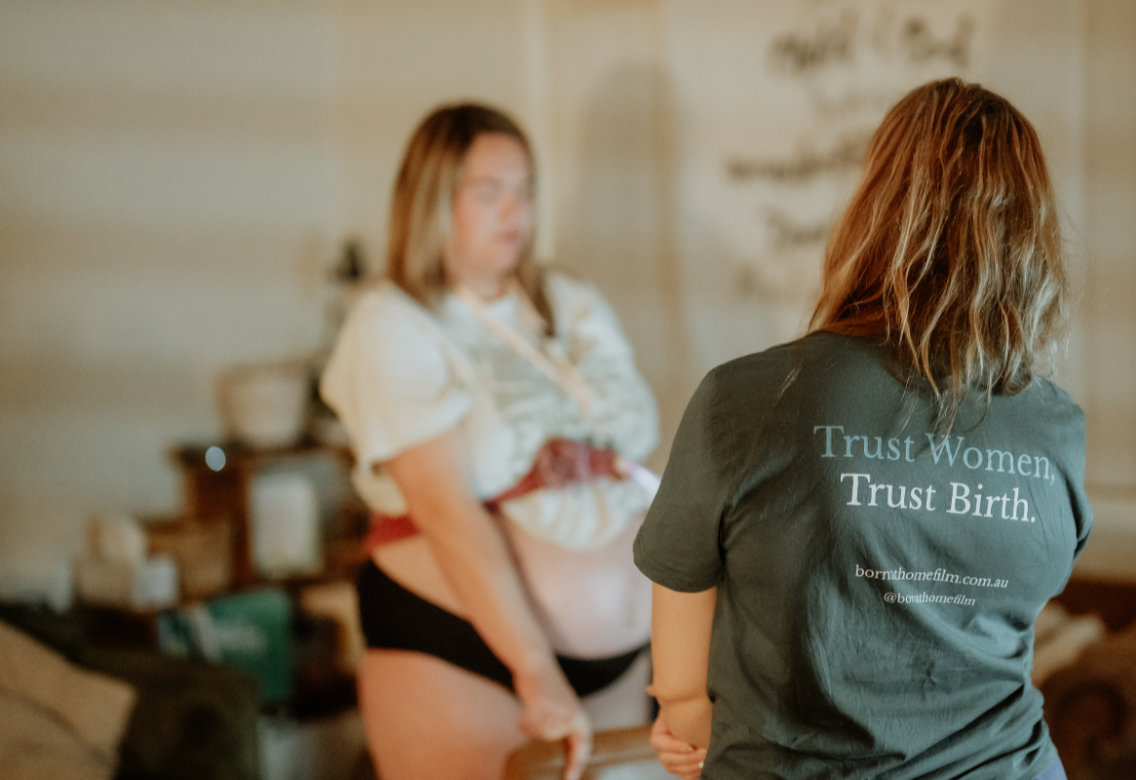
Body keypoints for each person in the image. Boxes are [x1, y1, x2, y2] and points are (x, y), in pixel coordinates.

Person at [634, 78, 1093, 779]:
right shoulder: (1057, 425)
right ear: (1031, 234)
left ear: (876, 207)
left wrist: (694, 725)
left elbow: (679, 683)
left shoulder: (746, 398)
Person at [321, 103, 660, 780]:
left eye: (526, 190)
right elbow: (445, 509)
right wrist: (535, 668)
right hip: (462, 649)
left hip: (622, 656)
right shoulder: (393, 321)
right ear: (433, 199)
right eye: (490, 192)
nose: (516, 211)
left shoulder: (566, 300)